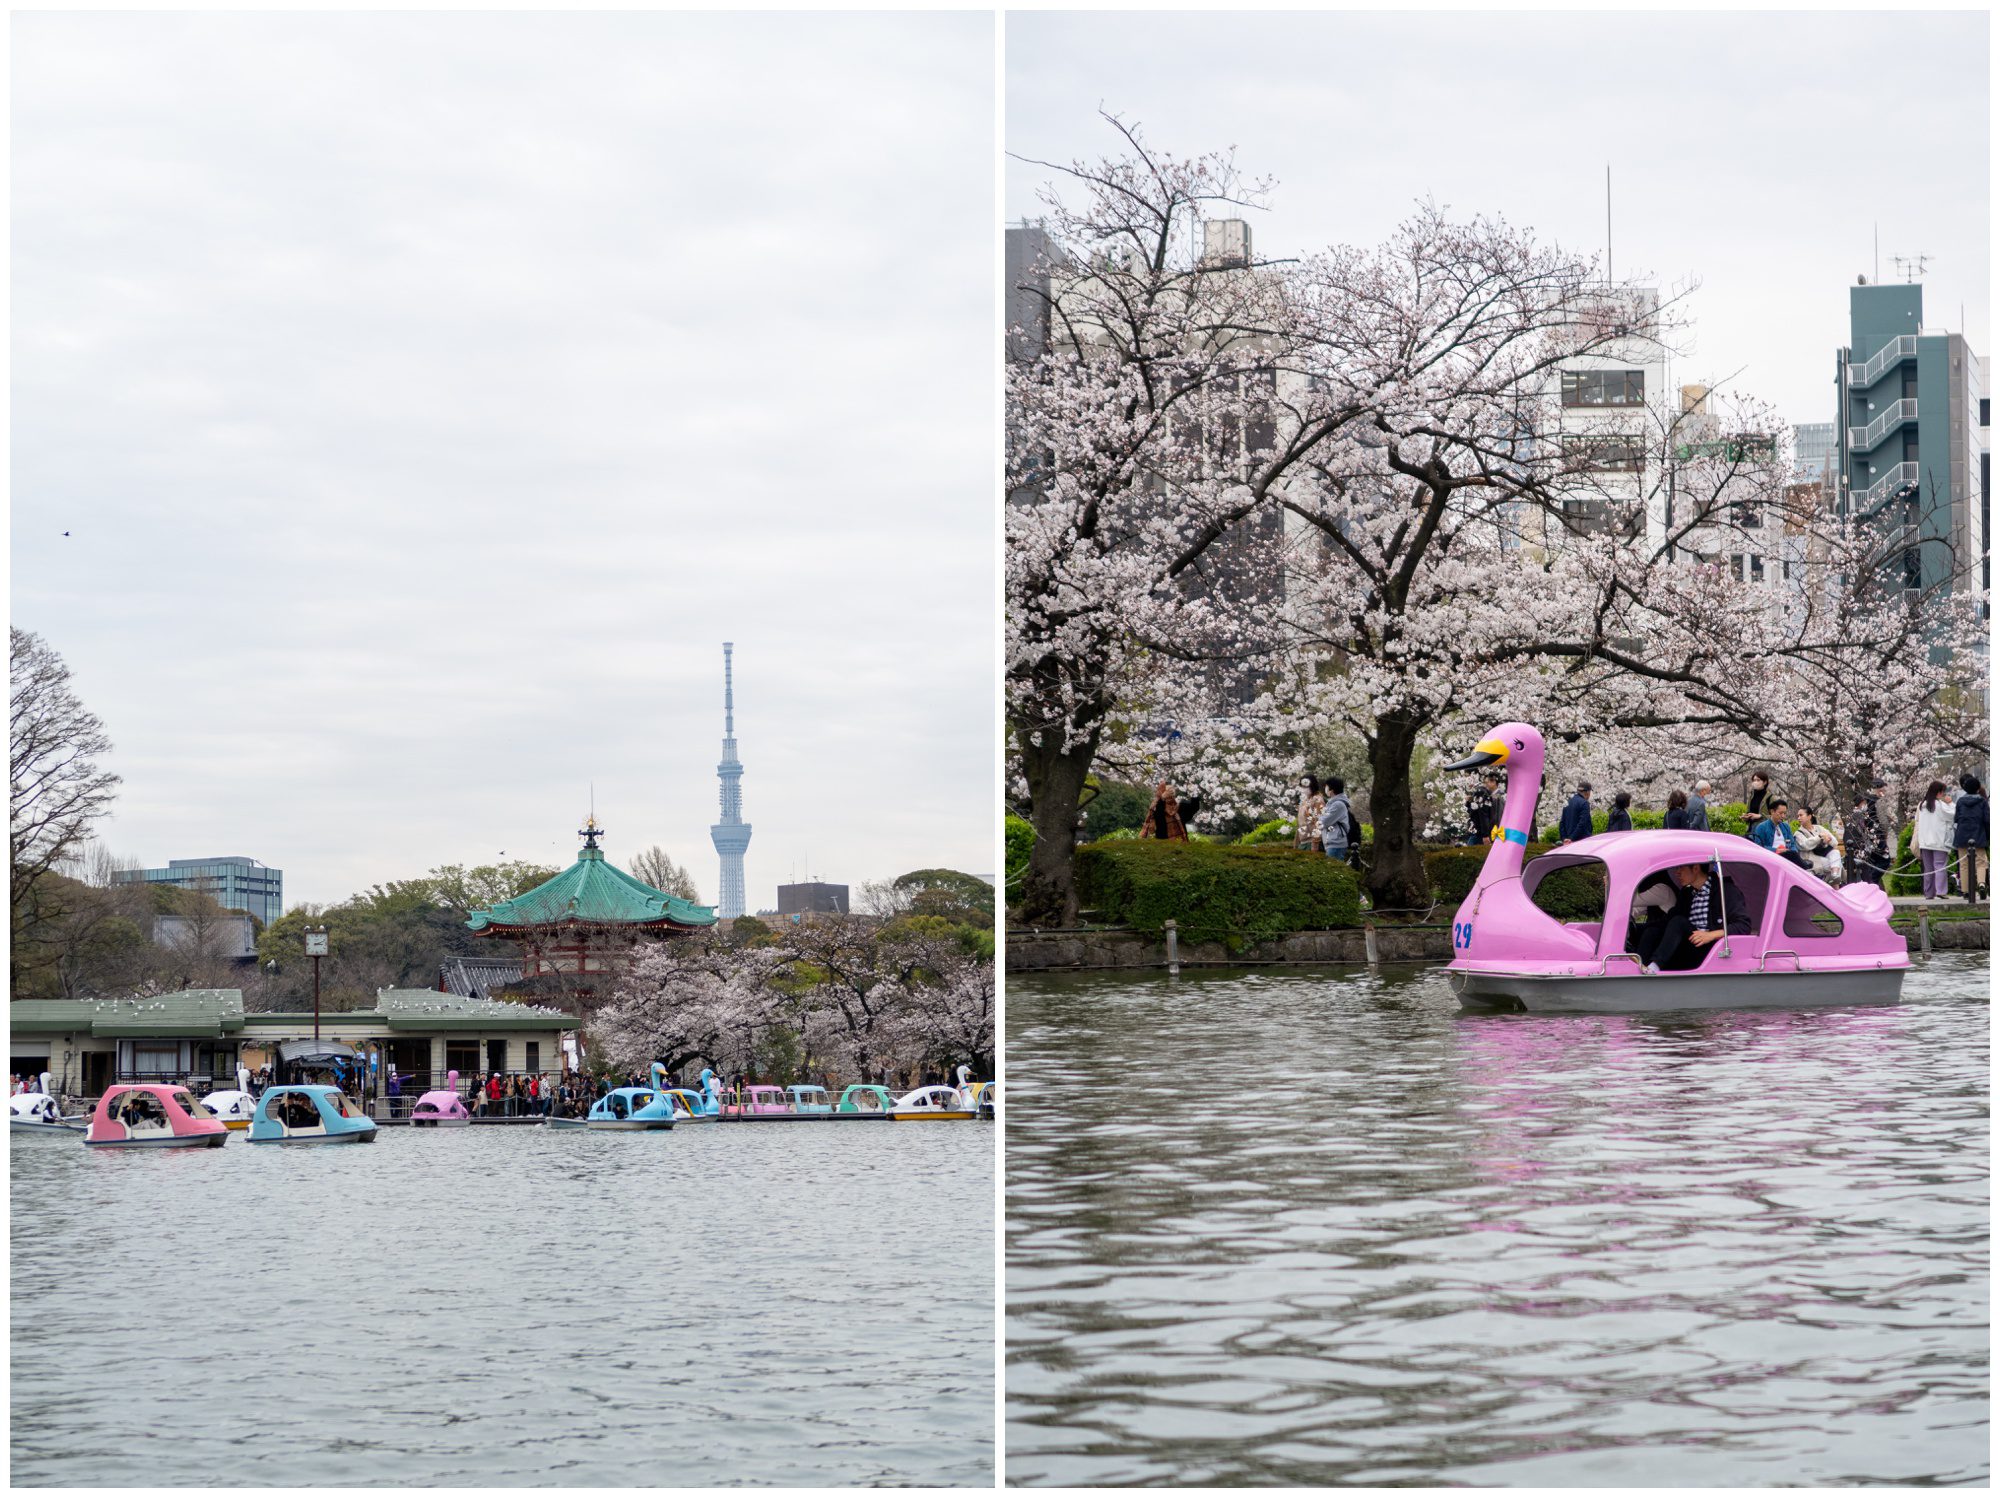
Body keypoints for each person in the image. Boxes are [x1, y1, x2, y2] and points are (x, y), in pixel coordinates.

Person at [1635, 861, 1753, 973]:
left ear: (1696, 868)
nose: (1677, 872)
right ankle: (1638, 966)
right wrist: (1634, 927)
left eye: (1681, 868)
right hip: (1689, 945)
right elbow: (1667, 920)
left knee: (1679, 922)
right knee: (1653, 930)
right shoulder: (1687, 893)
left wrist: (1710, 935)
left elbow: (1743, 926)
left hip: (1710, 949)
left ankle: (1655, 966)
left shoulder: (1726, 890)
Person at [1914, 780, 1956, 900]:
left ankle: (1929, 892)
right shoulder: (1940, 805)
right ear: (1938, 792)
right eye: (1942, 792)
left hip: (1924, 841)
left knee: (1928, 868)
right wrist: (1951, 803)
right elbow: (1953, 814)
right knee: (1940, 866)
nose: (1943, 794)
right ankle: (1941, 891)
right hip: (1938, 841)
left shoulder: (1921, 805)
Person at [1953, 773, 1989, 903]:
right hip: (1978, 835)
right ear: (1978, 788)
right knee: (1981, 862)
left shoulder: (1960, 801)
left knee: (1963, 864)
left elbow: (1956, 818)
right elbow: (1987, 820)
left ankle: (1966, 891)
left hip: (1962, 835)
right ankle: (1981, 884)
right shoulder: (1982, 802)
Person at [1752, 798, 1808, 867]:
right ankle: (1804, 866)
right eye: (1780, 813)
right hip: (1772, 856)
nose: (1783, 816)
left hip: (1787, 856)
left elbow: (1792, 844)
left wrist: (1793, 851)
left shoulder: (1786, 826)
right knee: (1798, 861)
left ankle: (1803, 866)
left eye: (1784, 813)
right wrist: (1777, 850)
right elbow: (1759, 847)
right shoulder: (1761, 827)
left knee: (1793, 853)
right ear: (1772, 811)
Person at [1793, 806, 1841, 883]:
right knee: (1837, 865)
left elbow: (1835, 842)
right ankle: (1835, 880)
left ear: (1809, 816)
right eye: (1798, 816)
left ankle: (1835, 876)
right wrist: (1819, 837)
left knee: (1836, 853)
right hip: (1811, 859)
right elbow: (1805, 845)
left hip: (1823, 855)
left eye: (1801, 815)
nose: (1799, 818)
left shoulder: (1819, 828)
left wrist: (1828, 839)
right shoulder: (1798, 833)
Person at [1319, 779, 1357, 864]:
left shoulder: (1338, 804)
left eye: (1326, 786)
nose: (1325, 788)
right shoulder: (1333, 803)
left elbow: (1323, 822)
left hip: (1336, 844)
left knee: (1332, 871)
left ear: (1331, 790)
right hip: (1333, 843)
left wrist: (1319, 817)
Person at [1466, 771, 1501, 844]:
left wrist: (1485, 835)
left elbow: (1484, 814)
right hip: (1481, 830)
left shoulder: (1484, 793)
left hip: (1482, 832)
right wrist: (1469, 803)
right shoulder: (1484, 793)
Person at [1294, 775, 1324, 853]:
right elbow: (1299, 824)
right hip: (1303, 842)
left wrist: (1315, 845)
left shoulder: (1318, 800)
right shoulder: (1304, 801)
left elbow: (1318, 823)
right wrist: (1296, 844)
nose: (1303, 789)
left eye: (1306, 786)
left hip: (1312, 843)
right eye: (1302, 786)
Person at [1744, 771, 1770, 836]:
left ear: (1765, 782)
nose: (1755, 782)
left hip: (1764, 831)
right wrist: (1747, 816)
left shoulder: (1770, 797)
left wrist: (1760, 816)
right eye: (1754, 780)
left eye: (1758, 780)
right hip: (1751, 829)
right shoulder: (1751, 797)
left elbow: (1778, 816)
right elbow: (1749, 811)